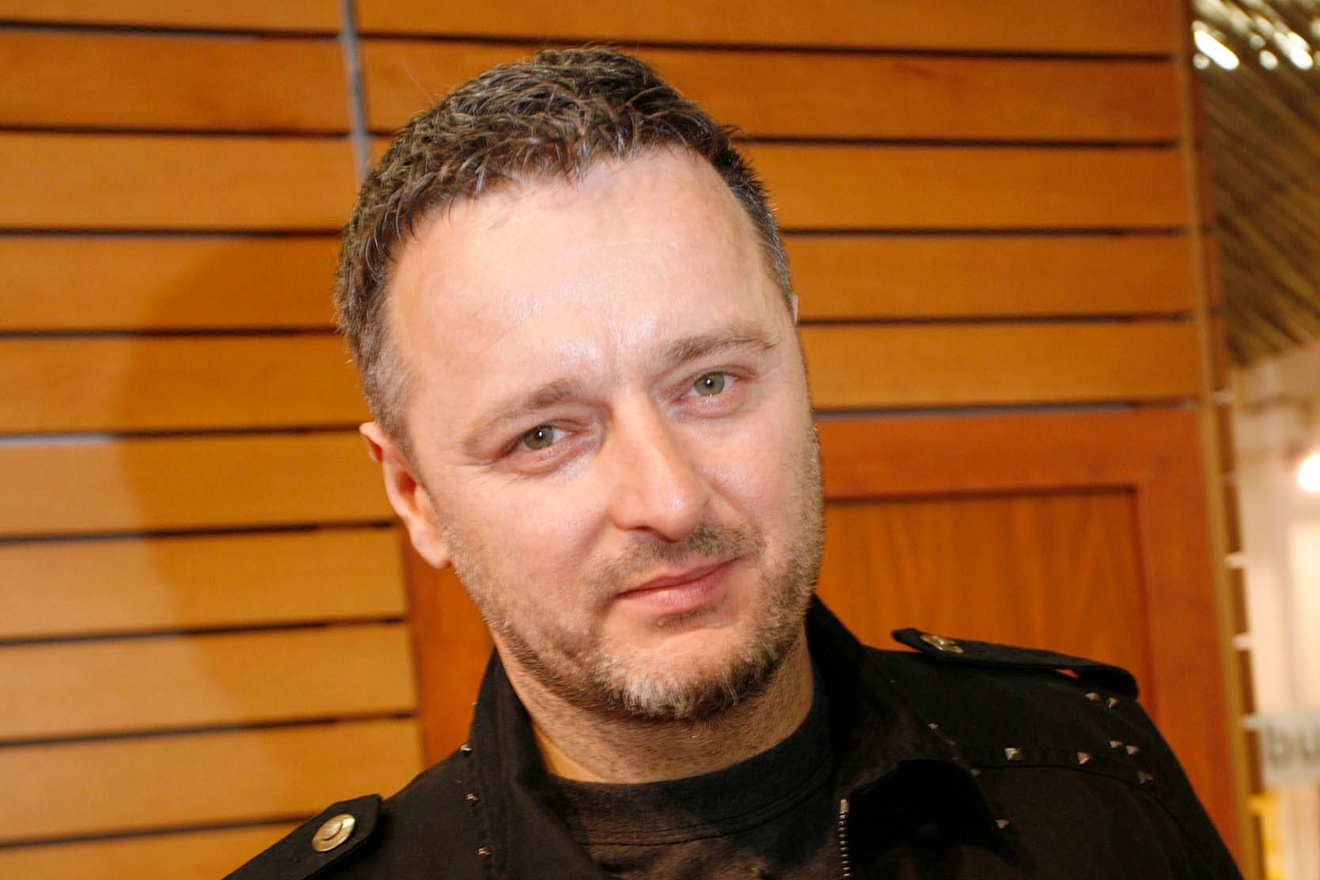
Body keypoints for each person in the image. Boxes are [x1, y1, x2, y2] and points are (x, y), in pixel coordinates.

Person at [227, 48, 1242, 879]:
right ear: (415, 496)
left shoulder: (1098, 779)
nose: (670, 499)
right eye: (544, 434)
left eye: (709, 382)